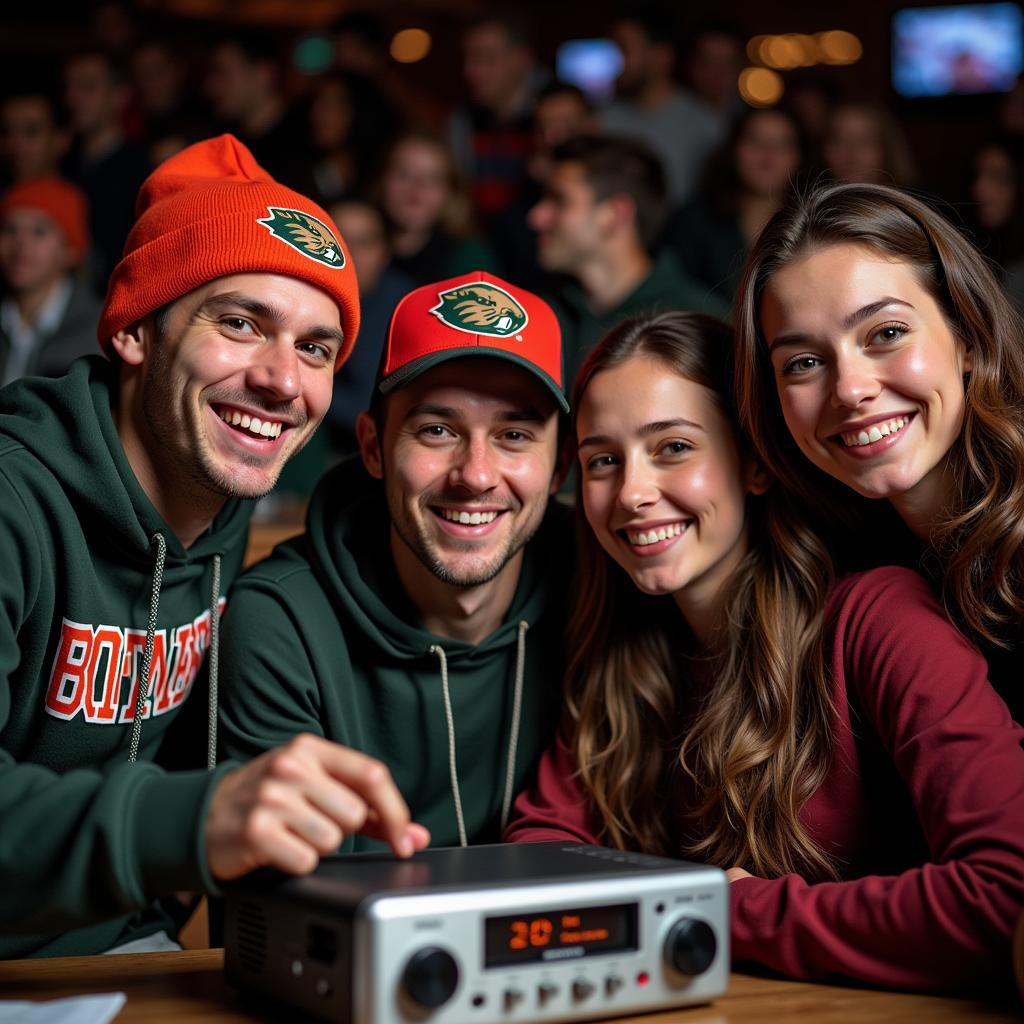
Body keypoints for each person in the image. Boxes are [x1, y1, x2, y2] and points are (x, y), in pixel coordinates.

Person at [0, 134, 430, 960]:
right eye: (240, 323)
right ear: (134, 330)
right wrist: (197, 817)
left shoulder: (221, 509)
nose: (281, 380)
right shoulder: (16, 502)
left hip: (130, 959)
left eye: (315, 348)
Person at [506, 311, 1024, 991]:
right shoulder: (627, 655)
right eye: (604, 460)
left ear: (753, 463)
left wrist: (725, 912)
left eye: (673, 448)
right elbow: (537, 854)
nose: (631, 493)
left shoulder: (880, 619)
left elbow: (1002, 900)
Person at [220, 271, 571, 851]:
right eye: (436, 430)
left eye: (514, 435)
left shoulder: (602, 588)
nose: (476, 475)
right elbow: (279, 914)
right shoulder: (281, 624)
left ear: (559, 469)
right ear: (373, 448)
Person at [735, 180, 1024, 724]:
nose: (849, 388)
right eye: (803, 363)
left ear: (967, 337)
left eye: (886, 332)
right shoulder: (830, 563)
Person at [529, 134, 728, 383]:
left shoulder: (701, 321)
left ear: (614, 214)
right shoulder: (541, 314)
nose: (536, 217)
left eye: (559, 200)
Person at [667, 106, 806, 305]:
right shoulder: (694, 221)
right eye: (755, 142)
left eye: (782, 145)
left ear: (798, 157)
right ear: (734, 150)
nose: (767, 157)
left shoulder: (815, 224)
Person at [601, 10, 726, 206]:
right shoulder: (603, 122)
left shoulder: (706, 126)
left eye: (624, 50)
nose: (615, 61)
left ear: (661, 57)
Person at [61, 50, 150, 294]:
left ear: (120, 96)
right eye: (70, 87)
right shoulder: (63, 165)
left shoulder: (142, 171)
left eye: (87, 87)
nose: (73, 98)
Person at [0, 175, 100, 385]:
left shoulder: (96, 332)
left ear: (70, 250)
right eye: (10, 229)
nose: (21, 244)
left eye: (39, 231)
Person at [378, 132, 500, 286]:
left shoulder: (469, 260)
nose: (417, 188)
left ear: (451, 192)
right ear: (383, 180)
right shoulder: (352, 243)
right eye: (404, 174)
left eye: (432, 179)